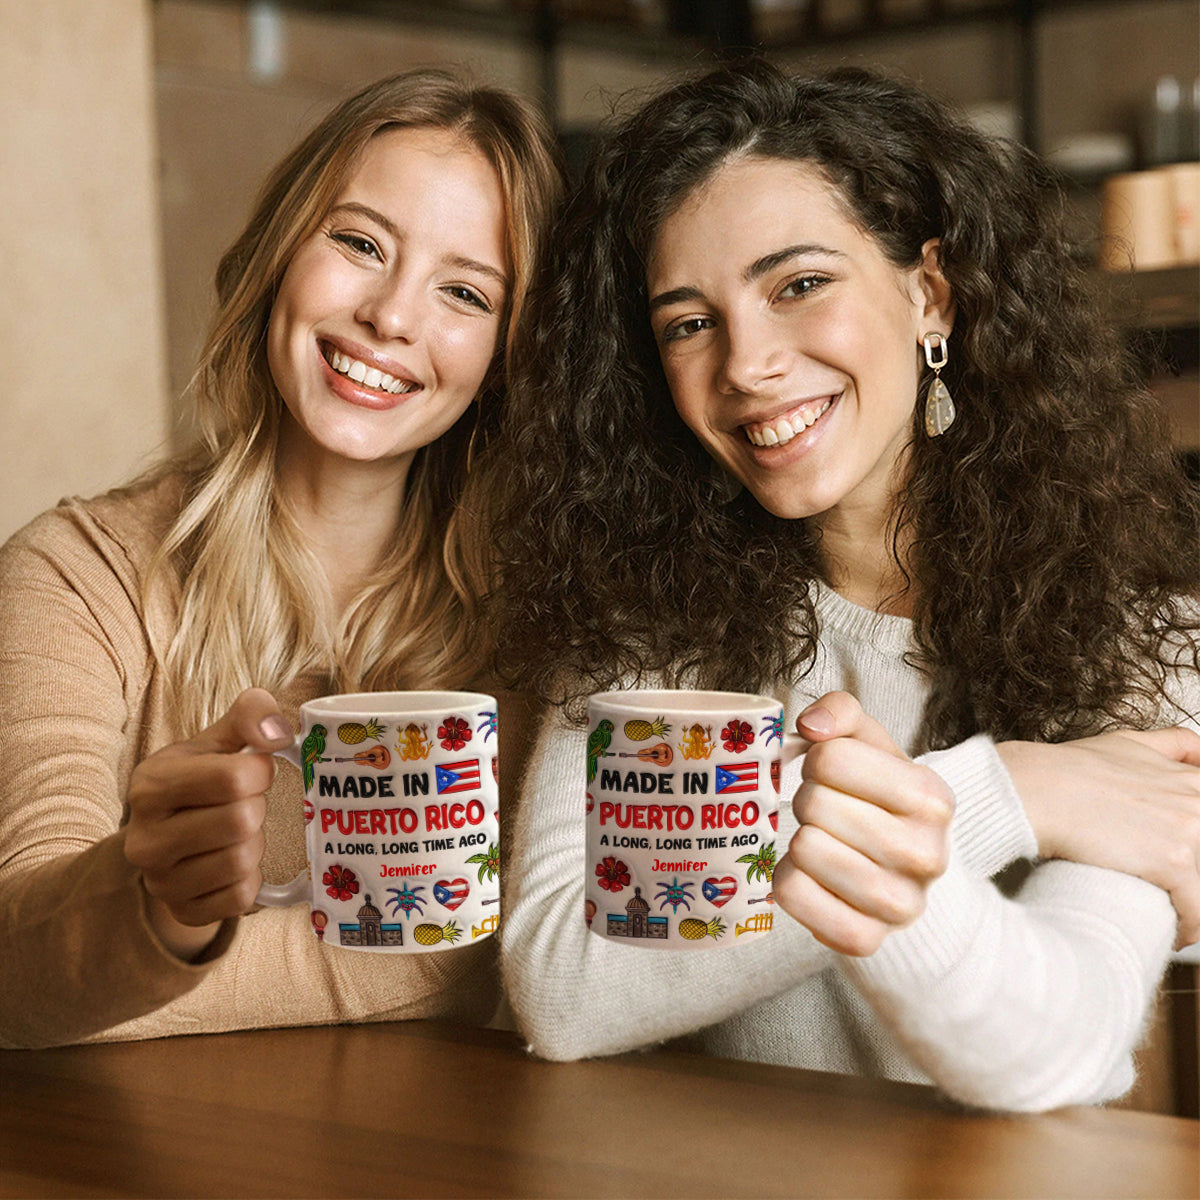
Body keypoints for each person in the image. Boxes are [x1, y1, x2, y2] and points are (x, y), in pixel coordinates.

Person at [489, 60, 1200, 1111]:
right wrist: (1005, 794)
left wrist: (919, 810)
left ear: (930, 295)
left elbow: (1055, 1046)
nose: (746, 363)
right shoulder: (644, 631)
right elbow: (560, 989)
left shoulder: (1145, 637)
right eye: (689, 322)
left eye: (799, 285)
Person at [0, 69, 563, 1048]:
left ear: (508, 356)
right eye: (358, 243)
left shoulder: (537, 624)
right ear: (277, 257)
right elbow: (18, 967)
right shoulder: (74, 575)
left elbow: (487, 947)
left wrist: (139, 971)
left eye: (465, 292)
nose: (392, 316)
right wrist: (157, 909)